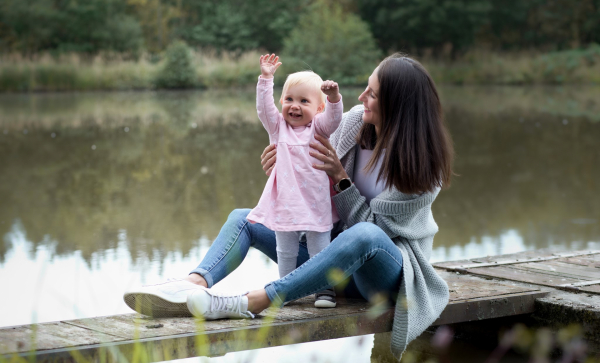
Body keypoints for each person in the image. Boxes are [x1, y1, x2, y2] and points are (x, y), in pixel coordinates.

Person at [123, 53, 454, 359]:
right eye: (365, 88)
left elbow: (374, 233)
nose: (361, 98)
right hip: (333, 261)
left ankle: (255, 300)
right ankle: (190, 288)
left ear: (397, 104)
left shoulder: (424, 170)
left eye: (372, 93)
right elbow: (313, 174)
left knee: (366, 234)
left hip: (384, 276)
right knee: (244, 219)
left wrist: (341, 178)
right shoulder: (354, 124)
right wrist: (287, 164)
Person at [247, 54, 343, 308]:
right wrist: (266, 79)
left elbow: (334, 119)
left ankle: (324, 291)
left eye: (303, 101)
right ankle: (286, 290)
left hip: (316, 201)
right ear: (281, 102)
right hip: (285, 202)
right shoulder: (278, 129)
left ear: (318, 108)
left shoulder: (319, 128)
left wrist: (334, 99)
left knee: (320, 251)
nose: (295, 106)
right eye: (289, 99)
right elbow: (264, 109)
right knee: (286, 251)